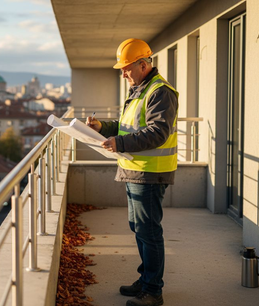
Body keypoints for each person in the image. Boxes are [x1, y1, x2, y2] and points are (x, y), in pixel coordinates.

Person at [86, 38, 178, 306]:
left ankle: (152, 291)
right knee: (139, 229)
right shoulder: (140, 89)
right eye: (121, 68)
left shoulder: (160, 91)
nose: (122, 73)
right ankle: (146, 279)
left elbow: (158, 132)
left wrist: (120, 143)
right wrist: (102, 127)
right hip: (135, 170)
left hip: (149, 173)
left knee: (148, 231)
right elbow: (128, 126)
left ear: (143, 64)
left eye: (126, 68)